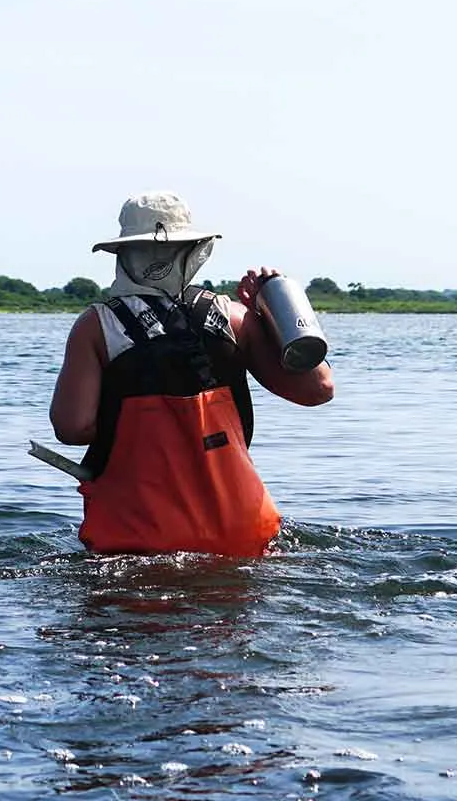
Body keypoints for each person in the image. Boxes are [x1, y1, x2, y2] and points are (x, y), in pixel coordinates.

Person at [49, 191, 335, 555]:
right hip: (242, 533)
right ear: (193, 251)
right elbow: (319, 389)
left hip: (140, 540)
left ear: (124, 254)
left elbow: (72, 428)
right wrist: (276, 314)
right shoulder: (234, 318)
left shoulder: (98, 325)